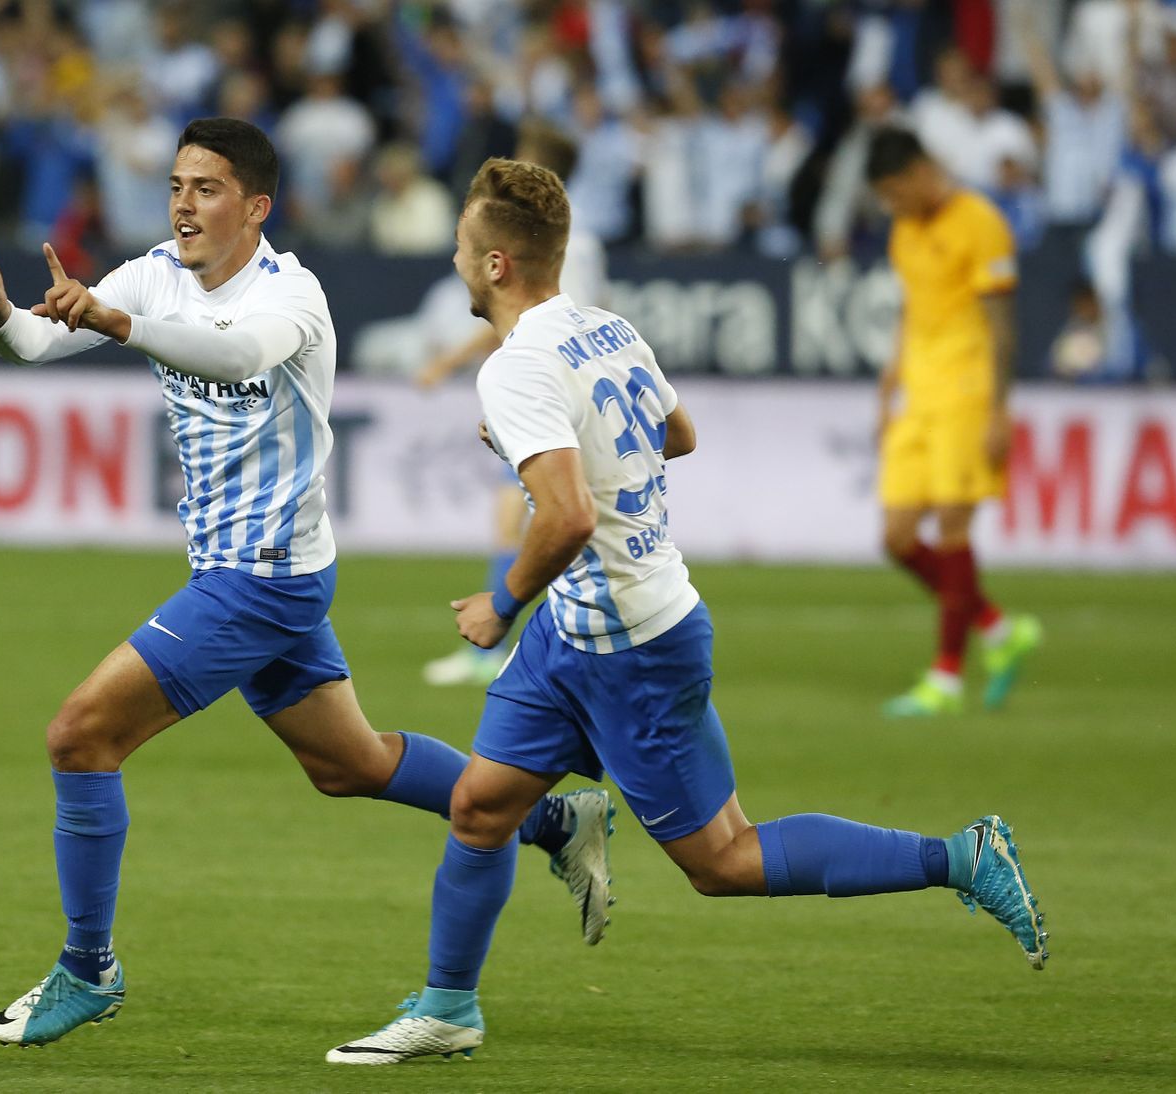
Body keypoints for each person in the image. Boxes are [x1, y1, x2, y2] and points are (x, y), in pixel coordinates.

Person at [324, 158, 1048, 1066]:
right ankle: (448, 1007)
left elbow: (571, 514)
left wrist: (502, 602)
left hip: (630, 643)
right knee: (480, 807)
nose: (458, 262)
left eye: (465, 249)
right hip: (582, 631)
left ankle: (961, 857)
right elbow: (679, 434)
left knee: (725, 862)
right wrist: (556, 446)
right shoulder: (603, 327)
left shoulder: (513, 369)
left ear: (498, 264)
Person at [0, 119, 613, 1049]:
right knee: (351, 765)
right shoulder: (148, 275)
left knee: (80, 738)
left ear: (256, 207)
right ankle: (551, 819)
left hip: (261, 583)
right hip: (262, 574)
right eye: (177, 184)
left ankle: (87, 970)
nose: (183, 202)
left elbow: (238, 355)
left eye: (207, 187)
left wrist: (120, 323)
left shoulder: (291, 296)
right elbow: (35, 345)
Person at [416, 120, 608, 688]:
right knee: (541, 517)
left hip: (542, 392)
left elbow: (523, 317)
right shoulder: (581, 241)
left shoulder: (542, 247)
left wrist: (448, 362)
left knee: (521, 519)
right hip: (574, 389)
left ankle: (492, 641)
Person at [867, 127, 1043, 718]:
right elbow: (914, 307)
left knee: (951, 526)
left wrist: (999, 408)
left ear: (919, 172)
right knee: (895, 537)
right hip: (918, 392)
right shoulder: (905, 229)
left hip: (968, 393)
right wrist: (891, 377)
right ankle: (997, 627)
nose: (893, 206)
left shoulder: (981, 222)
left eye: (895, 192)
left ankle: (944, 678)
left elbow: (1002, 325)